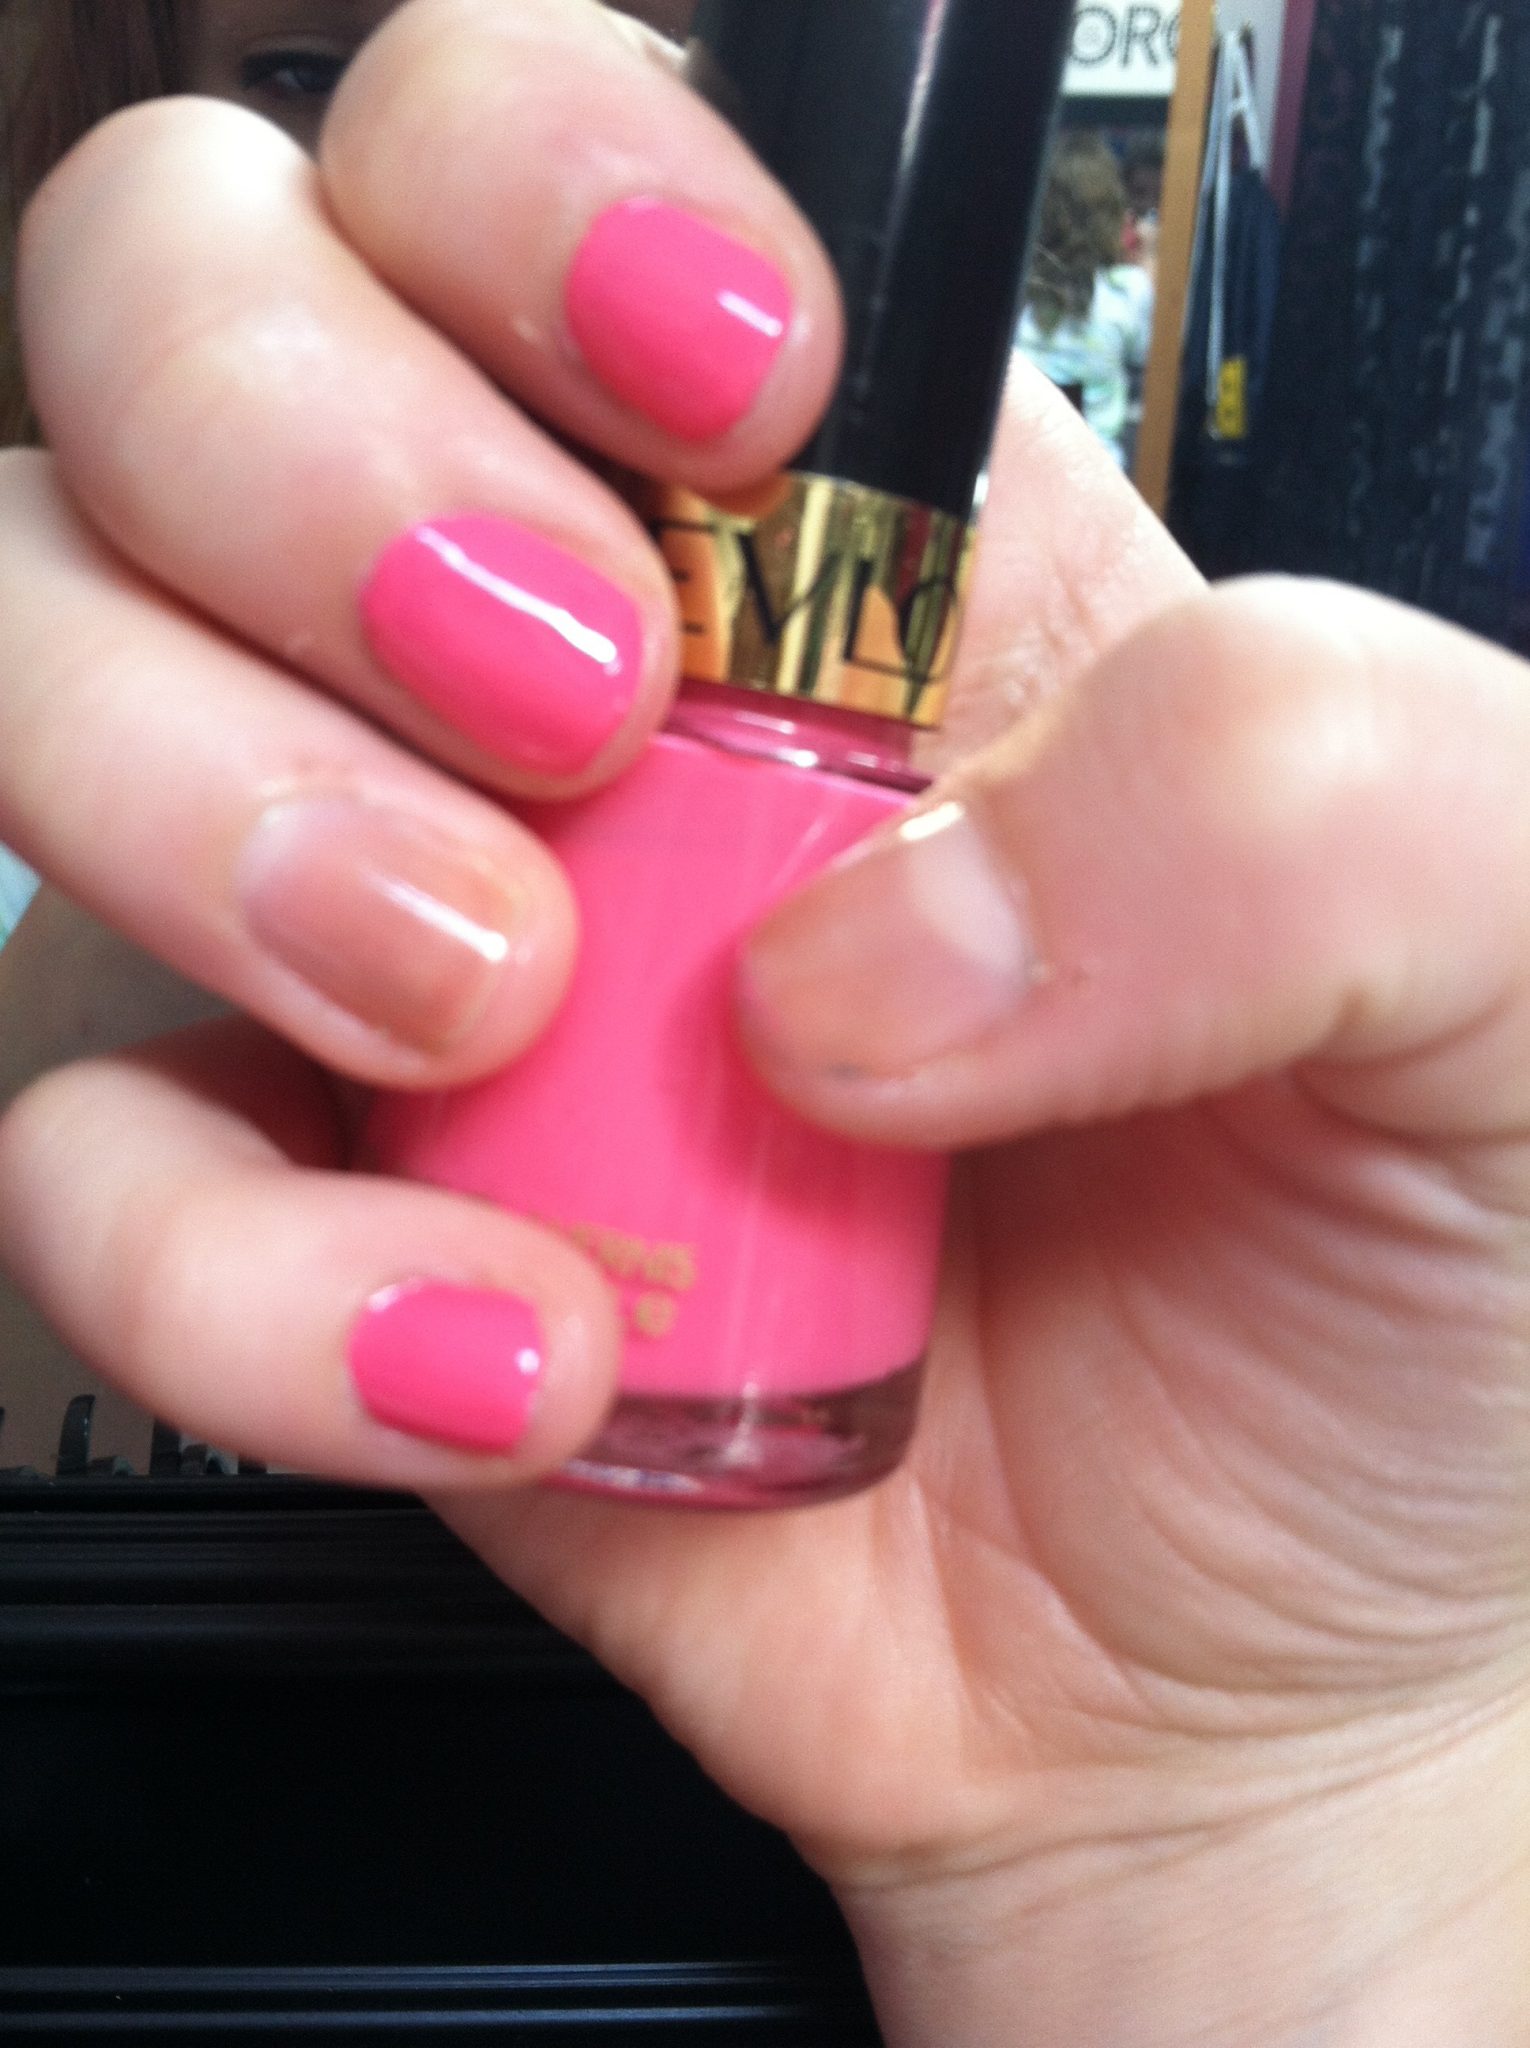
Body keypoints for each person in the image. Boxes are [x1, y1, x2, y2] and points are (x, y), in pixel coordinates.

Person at [4, 5, 1530, 2041]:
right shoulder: (101, 959)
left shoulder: (1060, 895)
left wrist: (1275, 1807)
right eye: (314, 66)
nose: (628, 102)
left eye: (693, 43)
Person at [1016, 130, 1154, 467]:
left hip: (1018, 466)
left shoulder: (1017, 292)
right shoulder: (1128, 290)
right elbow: (1148, 355)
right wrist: (1150, 257)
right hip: (1096, 473)